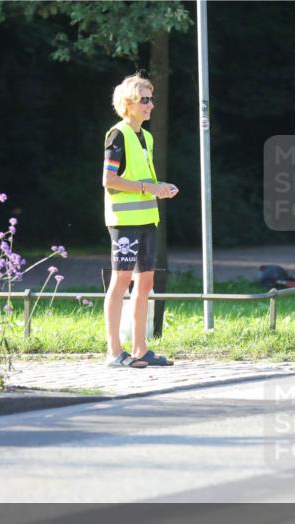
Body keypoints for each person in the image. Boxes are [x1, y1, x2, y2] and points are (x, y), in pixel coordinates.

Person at [102, 73, 178, 368]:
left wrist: (162, 188)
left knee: (145, 283)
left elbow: (143, 178)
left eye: (152, 99)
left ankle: (140, 349)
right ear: (129, 103)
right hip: (123, 221)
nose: (151, 105)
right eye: (145, 99)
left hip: (148, 219)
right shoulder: (117, 134)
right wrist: (150, 188)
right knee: (120, 281)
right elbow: (109, 180)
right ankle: (114, 352)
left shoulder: (146, 136)